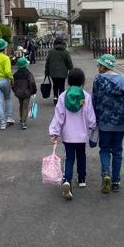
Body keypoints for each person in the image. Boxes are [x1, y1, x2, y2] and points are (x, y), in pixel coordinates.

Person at [92, 54, 124, 194]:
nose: (98, 67)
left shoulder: (98, 79)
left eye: (99, 65)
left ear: (104, 66)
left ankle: (106, 173)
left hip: (104, 121)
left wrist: (94, 118)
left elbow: (95, 99)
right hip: (119, 122)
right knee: (117, 151)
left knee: (104, 149)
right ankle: (116, 181)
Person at [49, 68, 96, 200]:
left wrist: (54, 133)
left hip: (68, 135)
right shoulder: (85, 97)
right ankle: (82, 179)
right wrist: (92, 126)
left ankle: (67, 181)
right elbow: (90, 117)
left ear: (68, 81)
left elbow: (59, 116)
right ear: (82, 81)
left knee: (69, 158)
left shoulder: (63, 96)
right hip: (81, 135)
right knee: (82, 156)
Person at [45, 37, 73, 105]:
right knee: (61, 85)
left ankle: (55, 97)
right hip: (63, 72)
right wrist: (71, 70)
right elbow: (69, 62)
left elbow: (47, 62)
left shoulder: (51, 51)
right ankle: (61, 98)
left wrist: (46, 71)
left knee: (55, 84)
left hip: (53, 72)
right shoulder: (65, 52)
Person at [12, 57, 37, 130]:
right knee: (25, 106)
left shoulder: (15, 75)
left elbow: (12, 85)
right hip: (26, 93)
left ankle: (21, 118)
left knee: (21, 105)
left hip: (18, 93)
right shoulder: (28, 74)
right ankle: (23, 122)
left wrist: (15, 91)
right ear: (26, 65)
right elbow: (32, 84)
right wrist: (34, 92)